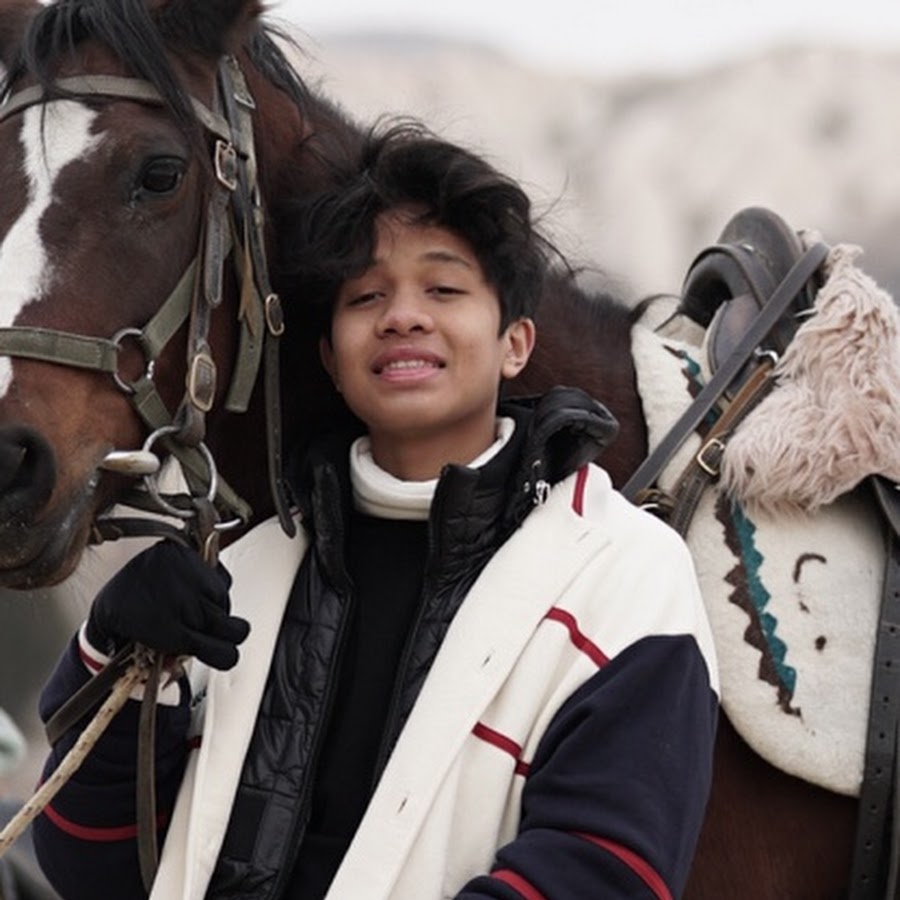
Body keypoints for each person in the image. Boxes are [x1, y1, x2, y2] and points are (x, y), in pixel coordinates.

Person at [32, 121, 719, 900]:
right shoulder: (243, 576)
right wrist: (113, 652)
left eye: (444, 288)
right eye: (366, 296)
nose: (402, 315)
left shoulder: (623, 578)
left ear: (515, 343)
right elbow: (90, 869)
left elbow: (602, 873)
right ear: (331, 353)